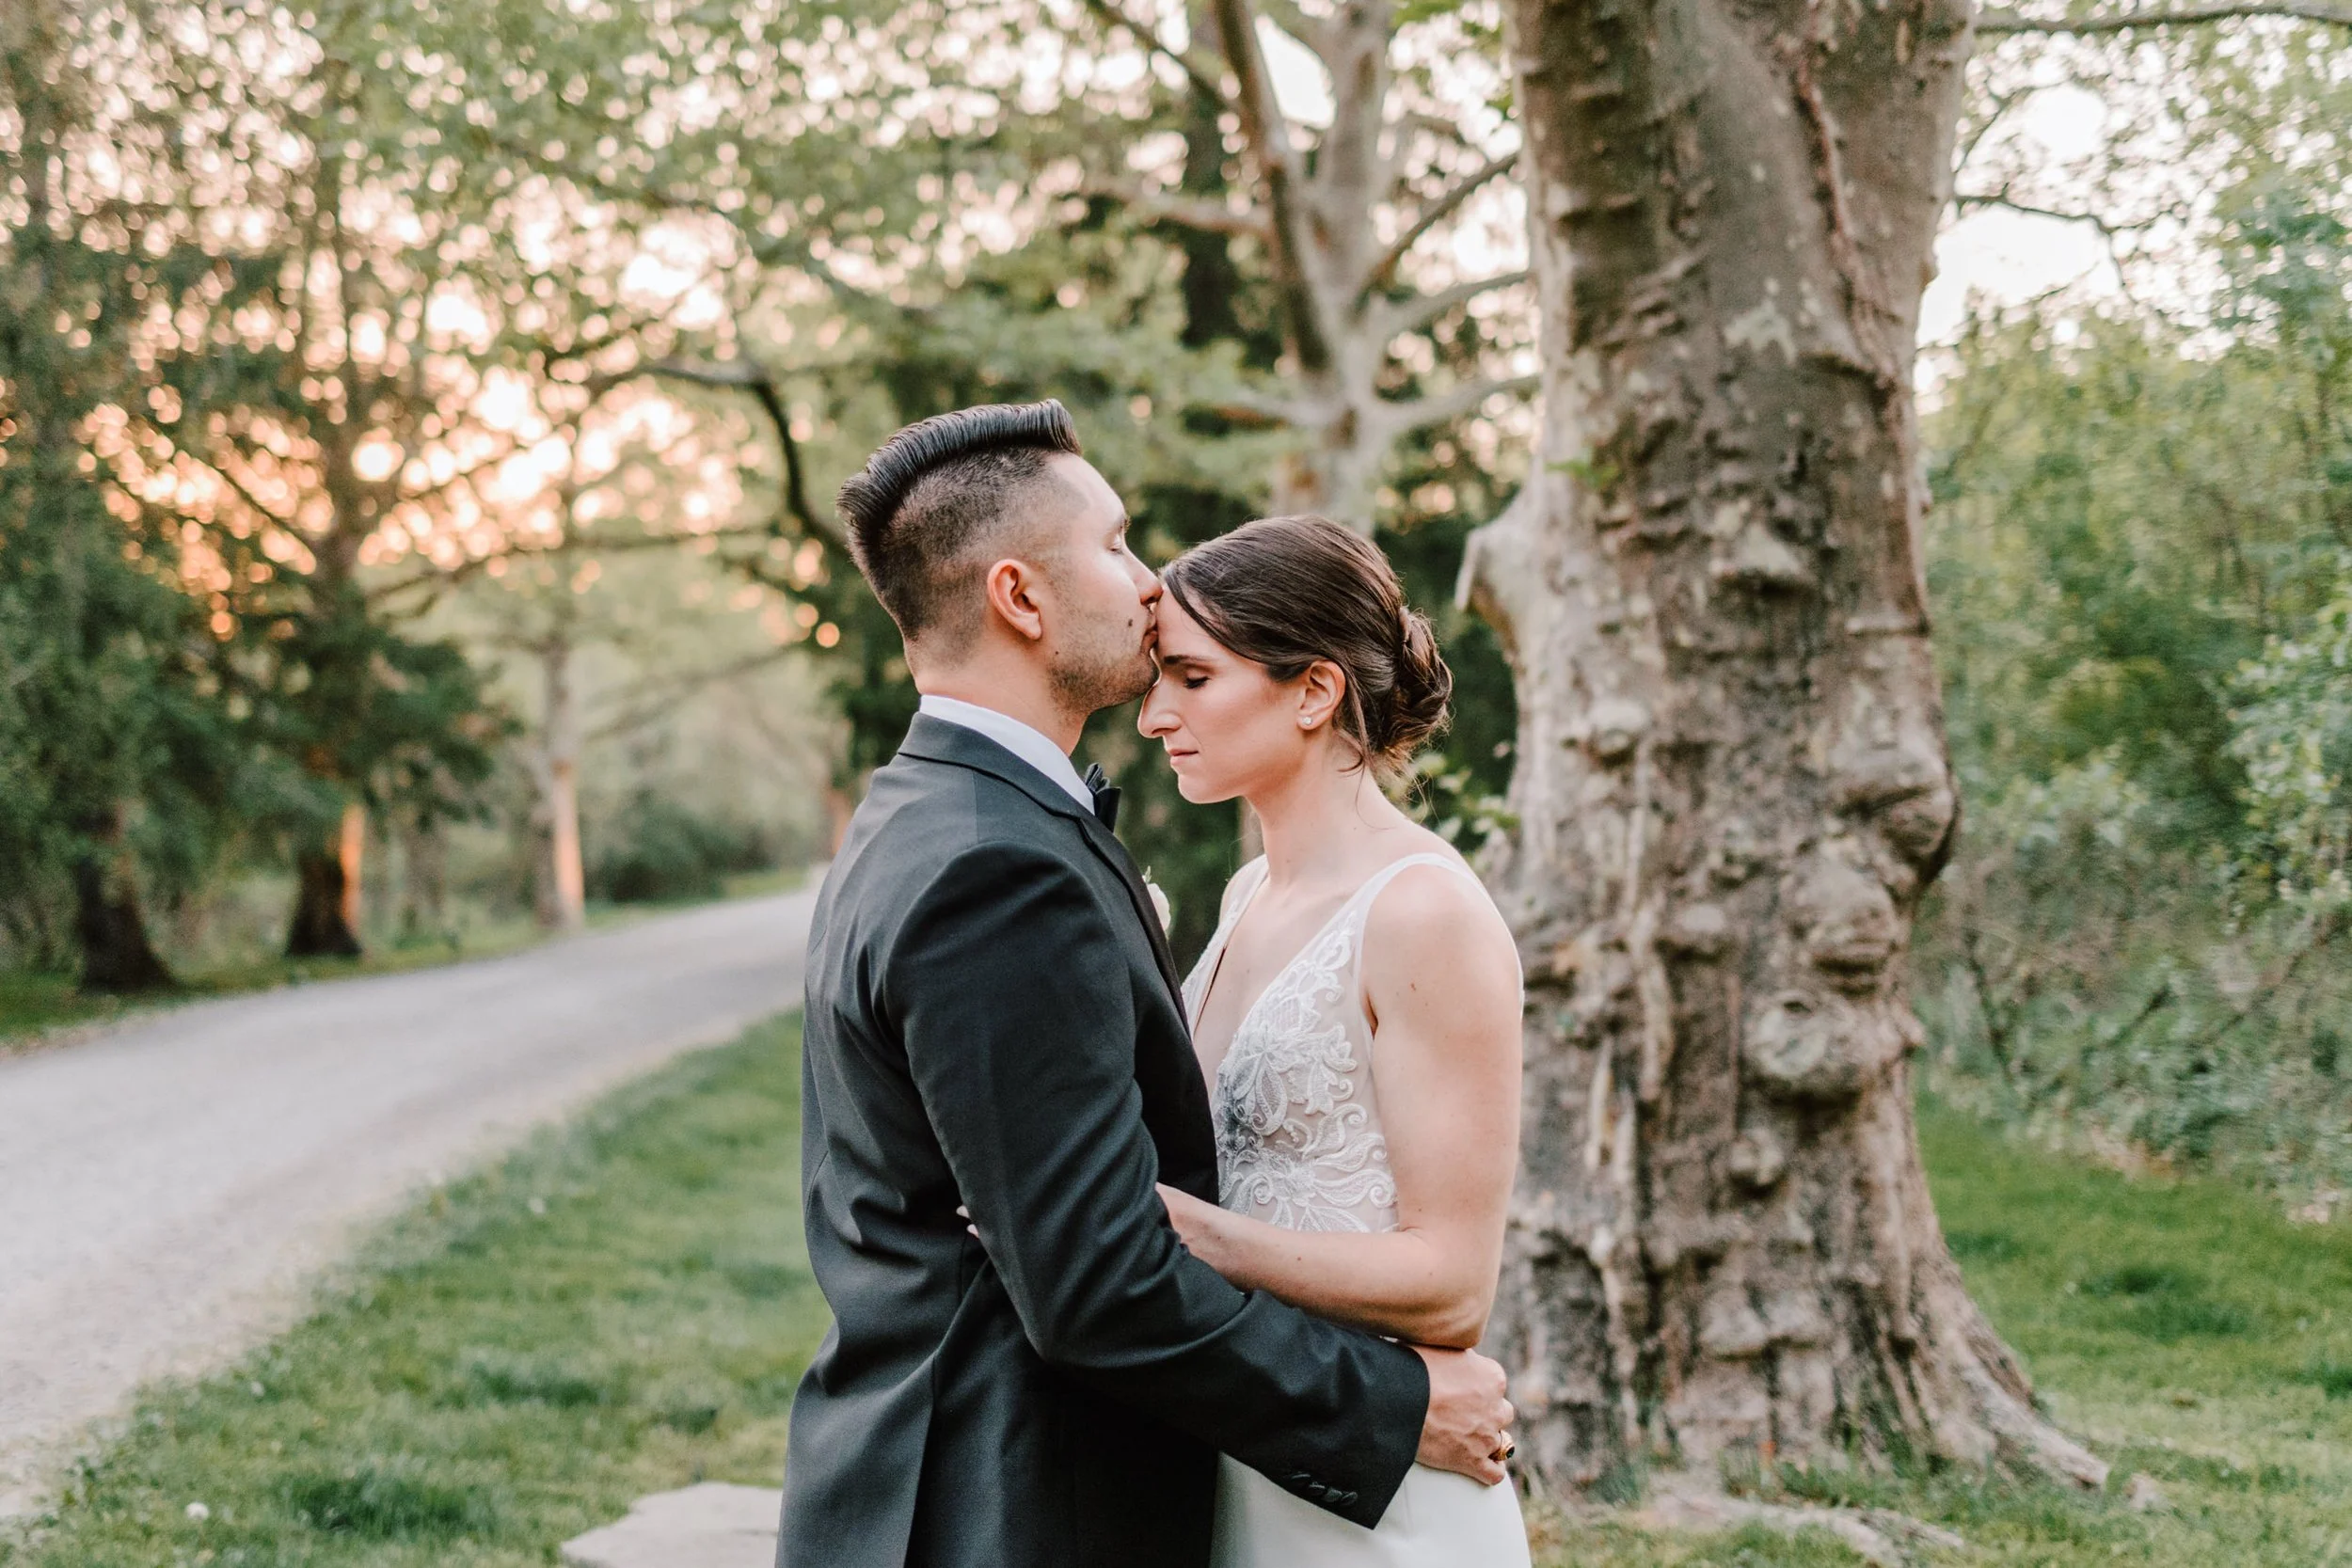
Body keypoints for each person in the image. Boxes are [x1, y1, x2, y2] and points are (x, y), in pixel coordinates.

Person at [780, 402, 1515, 1568]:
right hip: (1003, 1498)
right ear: (1019, 597)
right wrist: (1388, 1409)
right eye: (1116, 543)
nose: (1143, 584)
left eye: (1196, 673)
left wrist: (1193, 1231)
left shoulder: (930, 815)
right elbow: (1096, 1282)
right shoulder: (996, 864)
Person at [1139, 515, 1532, 1568]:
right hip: (1252, 1438)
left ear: (1313, 691)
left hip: (1381, 1498)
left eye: (1188, 675)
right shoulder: (1246, 891)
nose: (1152, 714)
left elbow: (1453, 1278)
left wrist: (1189, 1233)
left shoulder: (1422, 914)